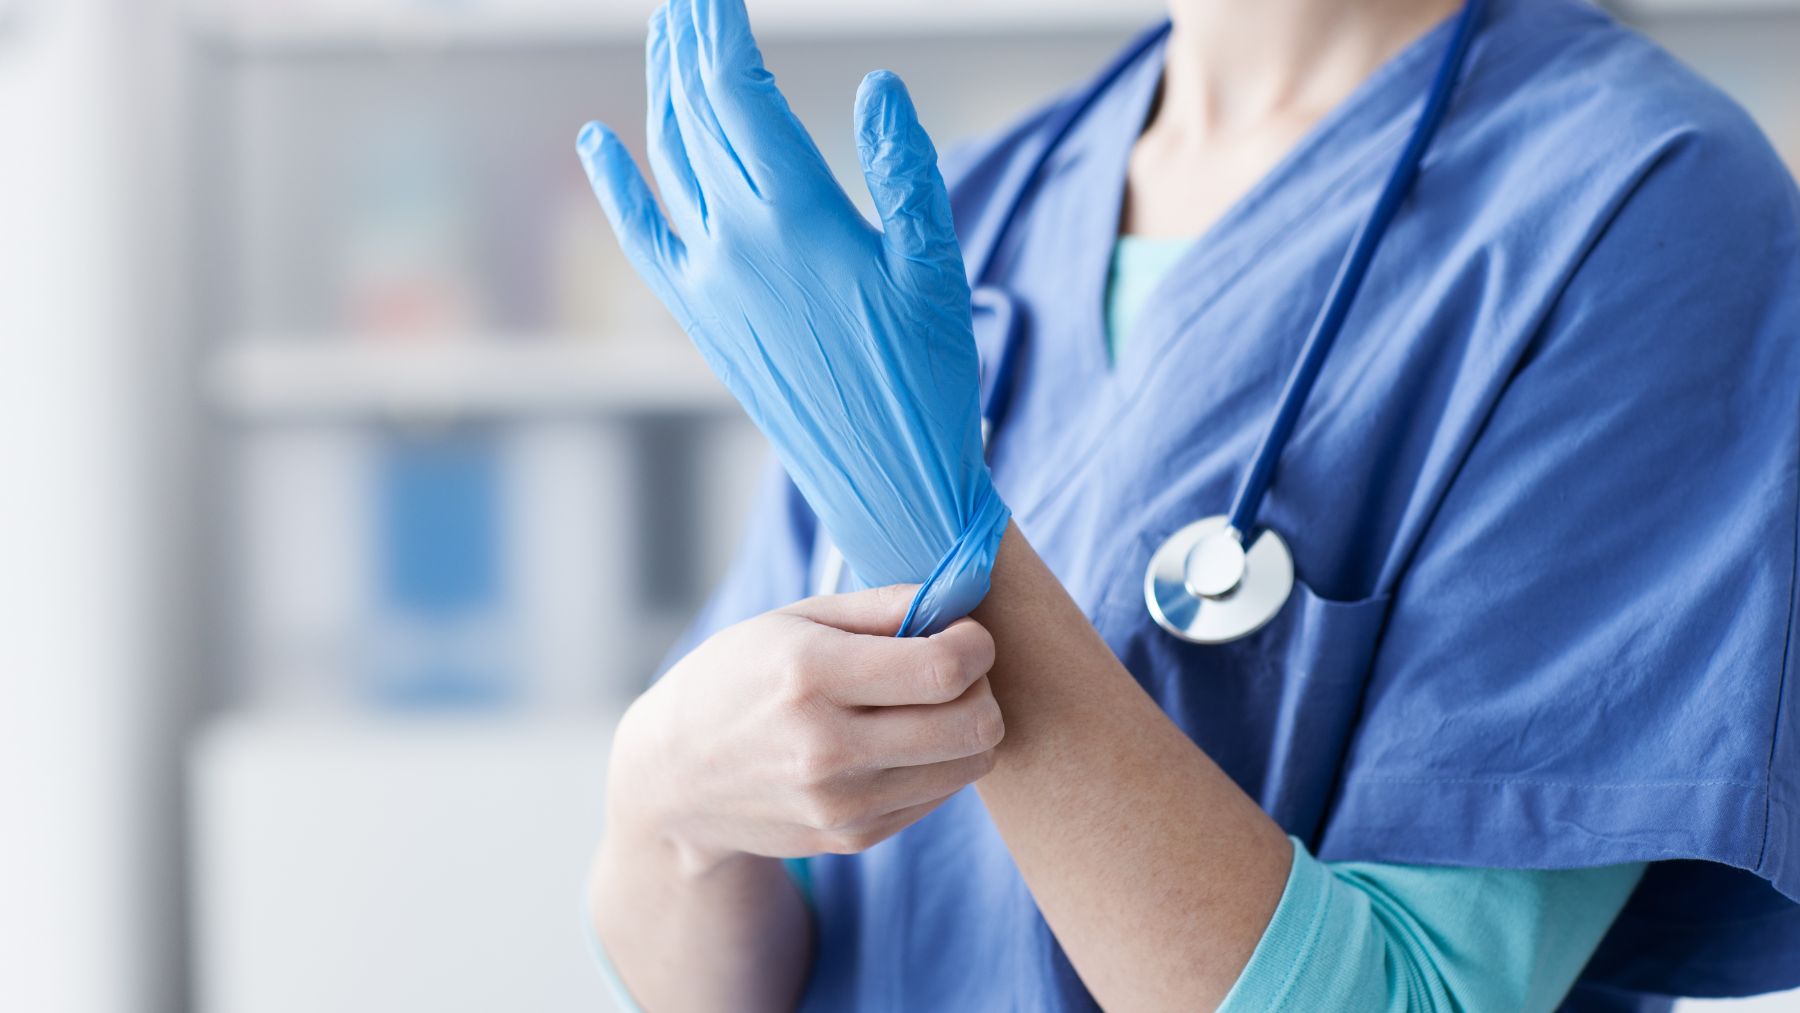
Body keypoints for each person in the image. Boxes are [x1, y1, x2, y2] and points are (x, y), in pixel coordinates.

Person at [574, 0, 1800, 1008]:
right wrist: (660, 797)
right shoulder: (979, 209)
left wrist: (949, 545)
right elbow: (729, 954)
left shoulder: (1642, 205)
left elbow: (1413, 993)